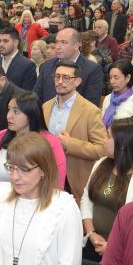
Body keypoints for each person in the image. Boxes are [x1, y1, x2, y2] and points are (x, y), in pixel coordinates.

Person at [0, 132, 83, 265]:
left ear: (44, 169)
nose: (15, 177)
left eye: (24, 169)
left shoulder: (64, 209)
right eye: (11, 167)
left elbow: (69, 264)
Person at [80, 118, 133, 262]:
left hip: (122, 251)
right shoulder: (101, 163)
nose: (103, 140)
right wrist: (91, 233)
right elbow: (86, 199)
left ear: (123, 145)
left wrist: (112, 247)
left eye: (108, 136)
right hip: (91, 242)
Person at [43, 61, 107, 199]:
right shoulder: (45, 107)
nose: (60, 81)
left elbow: (102, 149)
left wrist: (70, 144)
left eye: (66, 78)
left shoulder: (90, 111)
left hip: (72, 181)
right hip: (45, 175)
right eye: (57, 77)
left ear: (77, 82)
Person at [0, 90, 66, 196]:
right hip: (0, 205)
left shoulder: (51, 143)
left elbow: (56, 185)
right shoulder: (1, 136)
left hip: (36, 206)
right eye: (8, 110)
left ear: (31, 115)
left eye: (16, 111)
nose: (8, 116)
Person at [33, 28, 104, 103]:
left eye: (63, 42)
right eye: (57, 42)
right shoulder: (47, 66)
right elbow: (36, 97)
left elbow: (91, 104)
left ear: (76, 46)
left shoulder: (92, 70)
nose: (58, 47)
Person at [0, 26, 36, 91]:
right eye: (0, 41)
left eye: (5, 41)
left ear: (16, 43)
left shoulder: (27, 65)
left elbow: (28, 94)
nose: (1, 44)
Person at [101, 60, 133, 129]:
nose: (112, 81)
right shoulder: (108, 98)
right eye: (110, 77)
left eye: (116, 77)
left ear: (128, 78)